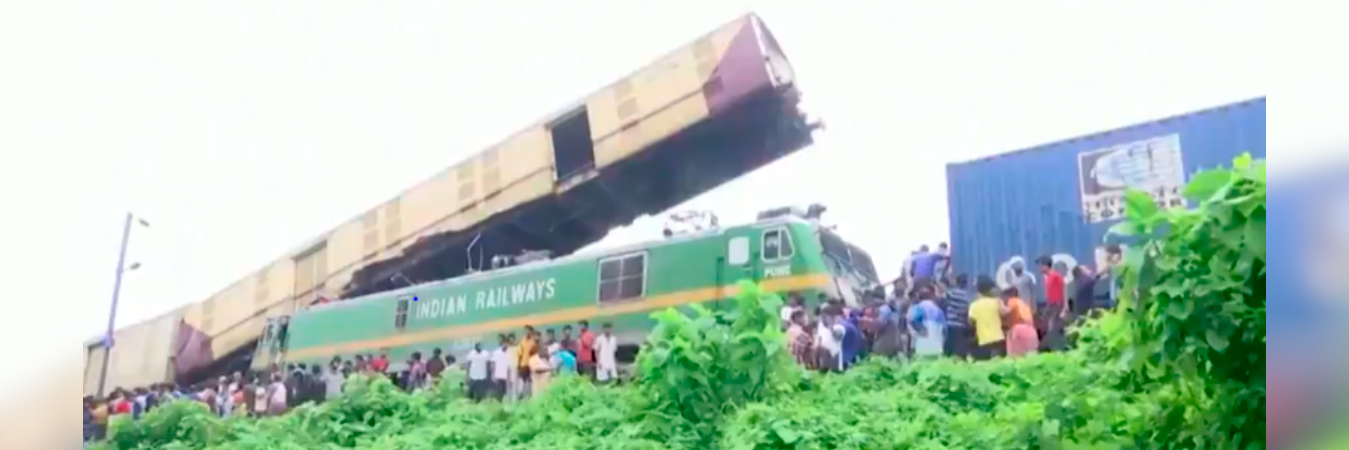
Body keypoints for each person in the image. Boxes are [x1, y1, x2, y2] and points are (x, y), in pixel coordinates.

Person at [968, 275, 1010, 360]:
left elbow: (971, 322)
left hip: (984, 340)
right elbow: (1006, 313)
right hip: (999, 339)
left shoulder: (974, 305)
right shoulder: (997, 302)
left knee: (986, 367)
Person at [1038, 256, 1068, 351]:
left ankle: (1058, 350)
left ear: (1046, 266)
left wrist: (1065, 306)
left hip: (1057, 306)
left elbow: (1064, 289)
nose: (1039, 268)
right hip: (1051, 306)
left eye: (1041, 265)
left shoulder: (1055, 276)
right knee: (1050, 328)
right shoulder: (1048, 278)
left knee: (1053, 329)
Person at [908, 286, 947, 358]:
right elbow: (944, 330)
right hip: (936, 344)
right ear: (932, 297)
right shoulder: (938, 310)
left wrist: (922, 330)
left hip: (922, 343)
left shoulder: (918, 307)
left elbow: (913, 320)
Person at [943, 274, 975, 358]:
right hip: (961, 325)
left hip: (950, 324)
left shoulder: (951, 293)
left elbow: (943, 300)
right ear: (966, 284)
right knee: (959, 351)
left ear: (957, 282)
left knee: (948, 350)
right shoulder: (968, 297)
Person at [1003, 288, 1040, 357]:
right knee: (1032, 357)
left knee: (1015, 358)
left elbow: (1007, 312)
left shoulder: (1012, 301)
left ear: (1008, 296)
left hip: (1018, 330)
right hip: (1031, 330)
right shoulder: (1024, 303)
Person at [517, 326, 538, 395]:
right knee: (522, 381)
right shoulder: (522, 341)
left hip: (532, 365)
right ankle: (521, 395)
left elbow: (535, 353)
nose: (526, 332)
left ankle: (529, 395)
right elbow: (520, 353)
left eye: (528, 330)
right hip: (523, 364)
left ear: (531, 331)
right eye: (525, 331)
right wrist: (518, 364)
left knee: (530, 381)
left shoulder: (534, 341)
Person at [491, 335, 513, 400]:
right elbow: (493, 364)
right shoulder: (496, 352)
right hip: (499, 376)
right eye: (504, 343)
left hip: (509, 377)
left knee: (508, 393)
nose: (505, 345)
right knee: (500, 393)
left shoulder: (511, 352)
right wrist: (493, 374)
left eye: (506, 343)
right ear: (502, 344)